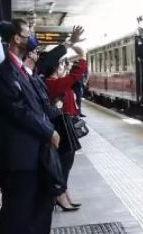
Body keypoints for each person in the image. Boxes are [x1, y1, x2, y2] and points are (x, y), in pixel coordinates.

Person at [0, 19, 59, 234]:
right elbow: (17, 109)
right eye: (28, 33)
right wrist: (48, 131)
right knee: (18, 214)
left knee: (39, 209)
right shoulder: (3, 70)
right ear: (16, 38)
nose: (32, 38)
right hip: (20, 158)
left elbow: (36, 106)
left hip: (35, 154)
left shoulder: (21, 70)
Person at [41, 25, 86, 212]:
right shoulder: (52, 84)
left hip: (65, 127)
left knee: (66, 164)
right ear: (55, 67)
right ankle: (59, 195)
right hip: (60, 128)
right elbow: (75, 75)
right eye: (61, 64)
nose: (63, 67)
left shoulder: (54, 82)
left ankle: (63, 193)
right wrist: (82, 56)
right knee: (63, 164)